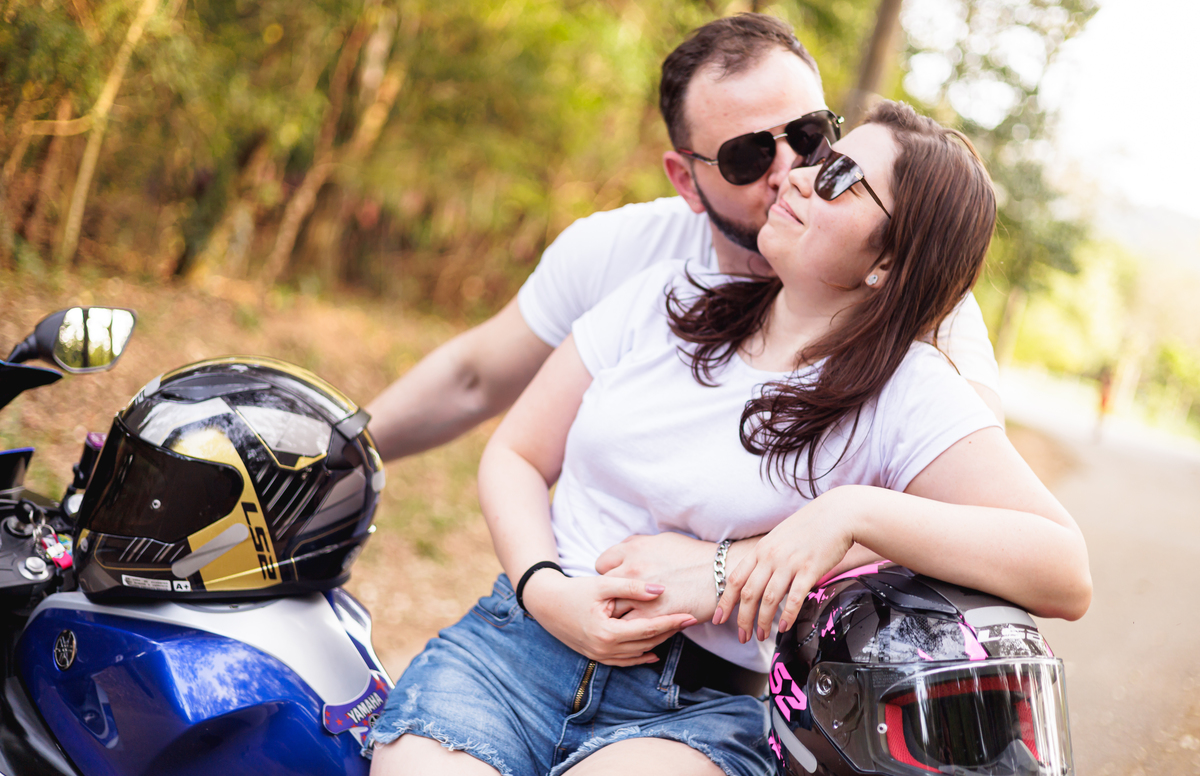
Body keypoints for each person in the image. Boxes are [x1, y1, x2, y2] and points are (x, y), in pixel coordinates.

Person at [366, 100, 1092, 776]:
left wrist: (850, 513)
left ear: (890, 262)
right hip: (509, 651)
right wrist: (546, 592)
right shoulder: (667, 299)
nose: (800, 176)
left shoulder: (907, 394)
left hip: (696, 711)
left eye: (842, 179)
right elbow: (517, 454)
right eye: (824, 159)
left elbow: (1063, 569)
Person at [365, 12, 1006, 621]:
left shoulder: (917, 302)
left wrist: (737, 565)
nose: (792, 171)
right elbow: (474, 378)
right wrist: (336, 456)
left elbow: (963, 511)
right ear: (686, 178)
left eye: (811, 136)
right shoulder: (628, 257)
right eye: (748, 156)